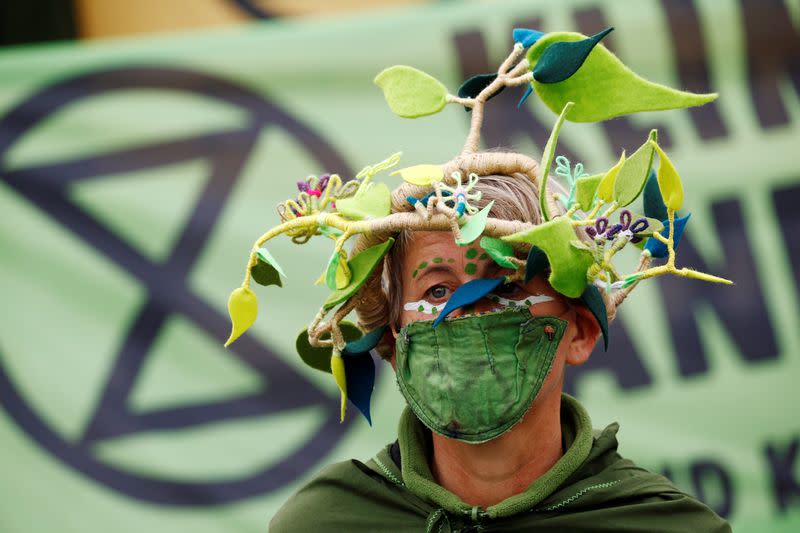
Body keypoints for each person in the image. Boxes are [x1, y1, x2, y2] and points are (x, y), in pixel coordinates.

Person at [222, 26, 733, 531]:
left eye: (506, 284)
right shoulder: (327, 523)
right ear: (396, 342)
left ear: (579, 329)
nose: (463, 309)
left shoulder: (665, 525)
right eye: (436, 289)